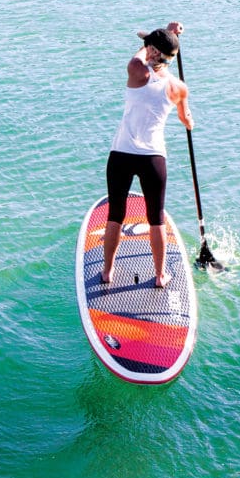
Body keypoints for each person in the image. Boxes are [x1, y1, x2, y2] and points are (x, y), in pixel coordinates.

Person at [101, 22, 193, 288]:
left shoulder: (136, 70)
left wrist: (156, 38)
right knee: (156, 218)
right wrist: (189, 123)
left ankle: (108, 271)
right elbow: (186, 119)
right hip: (153, 159)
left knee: (116, 214)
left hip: (121, 155)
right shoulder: (179, 88)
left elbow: (140, 55)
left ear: (152, 51)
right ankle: (161, 275)